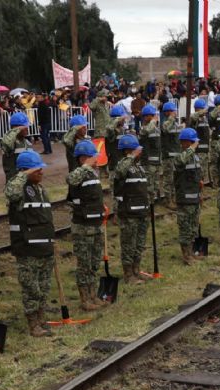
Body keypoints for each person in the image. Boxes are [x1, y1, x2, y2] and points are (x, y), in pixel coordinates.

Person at [5, 151, 55, 337]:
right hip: (28, 250)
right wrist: (23, 174)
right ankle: (33, 323)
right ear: (25, 171)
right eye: (37, 168)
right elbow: (10, 192)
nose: (41, 171)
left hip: (44, 248)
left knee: (43, 288)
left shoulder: (41, 190)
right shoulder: (19, 191)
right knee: (31, 289)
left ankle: (41, 319)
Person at [66, 140, 108, 311]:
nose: (96, 160)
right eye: (93, 157)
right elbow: (70, 179)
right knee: (84, 264)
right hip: (83, 227)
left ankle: (93, 295)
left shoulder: (92, 174)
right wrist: (85, 166)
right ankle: (85, 299)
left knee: (94, 263)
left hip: (96, 224)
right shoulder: (79, 173)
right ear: (84, 158)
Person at [114, 135, 152, 280]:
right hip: (129, 213)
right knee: (128, 245)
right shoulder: (122, 165)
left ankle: (136, 270)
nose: (140, 152)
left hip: (142, 211)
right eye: (137, 150)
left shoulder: (139, 167)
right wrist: (131, 156)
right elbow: (120, 172)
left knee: (139, 244)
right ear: (128, 151)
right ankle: (128, 274)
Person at [173, 128, 204, 264]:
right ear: (184, 143)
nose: (194, 144)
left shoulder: (195, 157)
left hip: (195, 197)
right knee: (185, 228)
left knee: (193, 227)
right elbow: (180, 162)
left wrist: (200, 192)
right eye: (191, 142)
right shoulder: (179, 156)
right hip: (184, 198)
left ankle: (191, 252)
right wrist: (191, 148)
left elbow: (197, 177)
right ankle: (186, 255)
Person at [138, 105, 162, 201]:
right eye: (151, 115)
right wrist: (153, 122)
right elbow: (147, 130)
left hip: (156, 162)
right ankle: (147, 206)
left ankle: (153, 204)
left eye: (154, 115)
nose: (154, 117)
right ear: (145, 117)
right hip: (147, 163)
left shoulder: (156, 128)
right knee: (148, 186)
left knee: (155, 185)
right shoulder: (143, 129)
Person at [160, 102, 181, 209]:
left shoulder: (175, 123)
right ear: (168, 112)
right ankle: (168, 200)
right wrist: (172, 118)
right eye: (173, 111)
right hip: (168, 156)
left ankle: (173, 198)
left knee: (175, 179)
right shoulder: (165, 123)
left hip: (176, 155)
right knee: (168, 180)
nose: (175, 113)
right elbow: (165, 129)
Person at [1, 112, 32, 181]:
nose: (27, 129)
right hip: (14, 181)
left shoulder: (27, 142)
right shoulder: (10, 142)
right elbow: (7, 142)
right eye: (24, 127)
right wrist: (17, 129)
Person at [189, 98, 211, 183]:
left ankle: (201, 192)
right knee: (199, 171)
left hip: (205, 150)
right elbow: (193, 117)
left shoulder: (204, 119)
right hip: (198, 150)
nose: (204, 111)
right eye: (202, 109)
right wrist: (203, 111)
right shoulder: (194, 118)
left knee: (203, 172)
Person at [105, 105, 127, 184]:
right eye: (123, 118)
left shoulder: (123, 129)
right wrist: (117, 119)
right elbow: (110, 128)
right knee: (115, 188)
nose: (124, 119)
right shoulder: (110, 131)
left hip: (123, 163)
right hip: (114, 164)